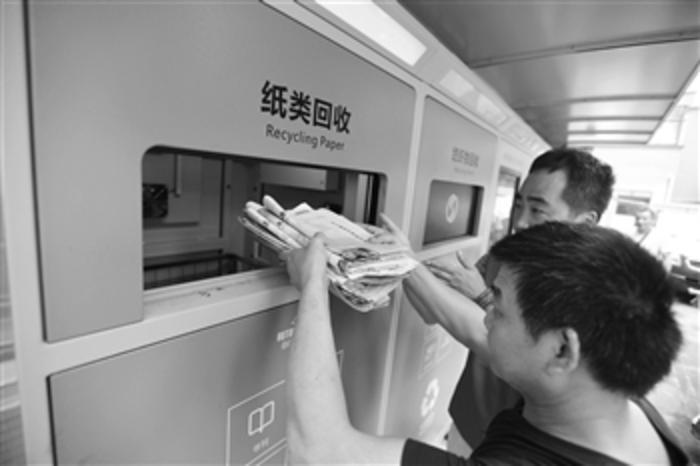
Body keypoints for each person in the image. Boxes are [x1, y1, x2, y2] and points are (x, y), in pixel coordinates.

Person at [283, 223, 688, 465]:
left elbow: (321, 453)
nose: (486, 314)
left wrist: (313, 282)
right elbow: (476, 333)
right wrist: (405, 261)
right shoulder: (618, 400)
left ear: (562, 350)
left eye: (498, 306)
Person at [394, 147, 616, 454]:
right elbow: (434, 311)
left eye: (537, 210)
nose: (520, 222)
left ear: (586, 222)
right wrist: (397, 267)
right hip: (468, 420)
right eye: (519, 205)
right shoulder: (503, 257)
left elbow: (491, 340)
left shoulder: (595, 292)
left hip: (520, 446)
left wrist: (413, 267)